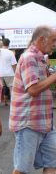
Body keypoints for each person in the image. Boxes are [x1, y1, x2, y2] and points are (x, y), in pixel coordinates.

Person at [9, 25, 56, 174]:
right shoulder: (29, 57)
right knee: (22, 169)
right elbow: (33, 89)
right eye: (54, 40)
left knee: (52, 163)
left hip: (44, 122)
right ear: (42, 39)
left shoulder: (40, 58)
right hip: (29, 122)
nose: (55, 44)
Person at [0, 38, 17, 106]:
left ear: (2, 43)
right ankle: (13, 103)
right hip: (9, 73)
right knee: (11, 89)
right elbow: (14, 64)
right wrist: (16, 72)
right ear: (9, 44)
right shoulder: (11, 53)